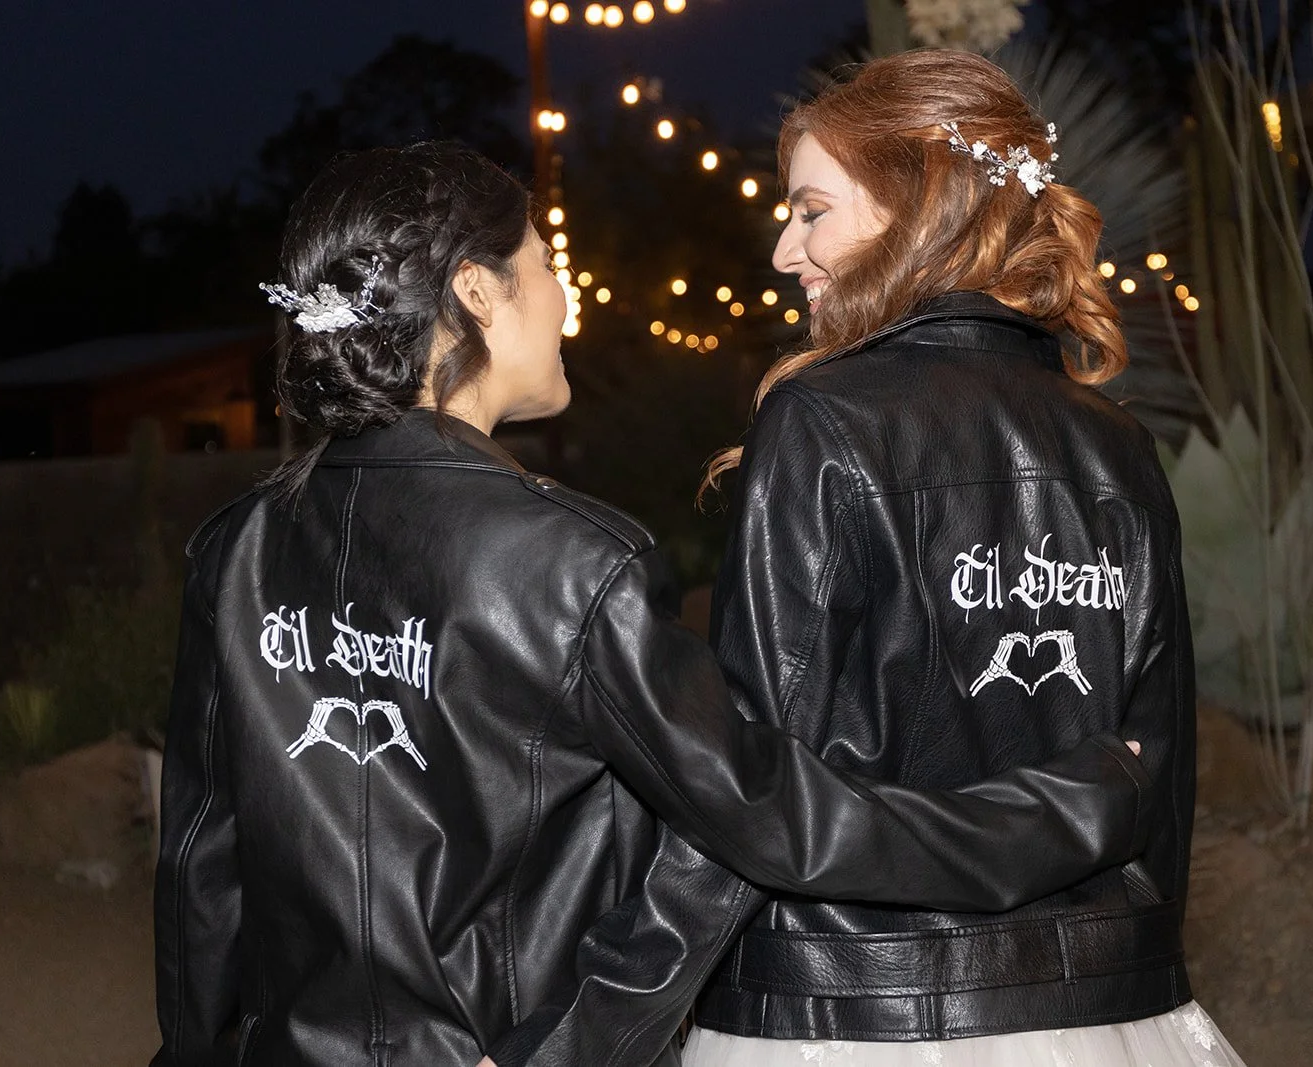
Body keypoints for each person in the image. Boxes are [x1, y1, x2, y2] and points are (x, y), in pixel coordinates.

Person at [149, 141, 1153, 1067]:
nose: (564, 300)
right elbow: (761, 820)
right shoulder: (567, 563)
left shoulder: (233, 549)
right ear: (474, 291)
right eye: (543, 264)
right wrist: (1075, 805)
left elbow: (203, 869)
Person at [673, 49, 1245, 1067]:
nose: (780, 249)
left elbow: (749, 784)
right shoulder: (1117, 443)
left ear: (915, 205)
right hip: (1100, 1004)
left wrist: (599, 1012)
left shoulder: (819, 422)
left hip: (848, 1011)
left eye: (810, 210)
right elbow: (1157, 767)